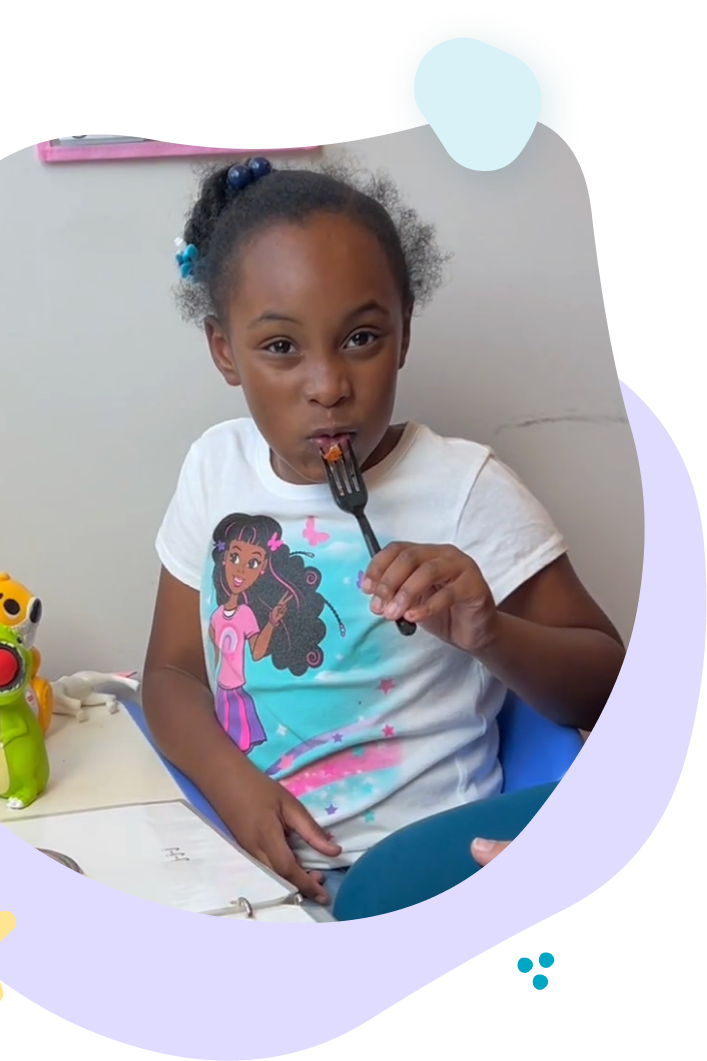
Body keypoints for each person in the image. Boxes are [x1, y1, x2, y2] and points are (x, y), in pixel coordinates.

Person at [142, 156, 625, 912]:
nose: (328, 384)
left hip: (426, 872)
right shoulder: (213, 469)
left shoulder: (466, 489)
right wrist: (236, 789)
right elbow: (170, 677)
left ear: (402, 333)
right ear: (224, 351)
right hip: (247, 871)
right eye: (280, 347)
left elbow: (608, 681)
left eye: (361, 337)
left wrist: (486, 630)